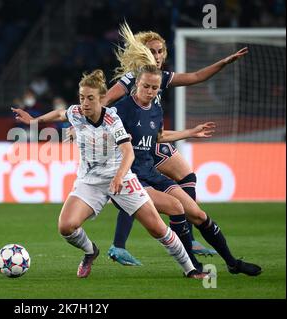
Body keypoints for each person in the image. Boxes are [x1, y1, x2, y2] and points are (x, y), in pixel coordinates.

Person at [12, 70, 209, 279]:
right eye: (82, 98)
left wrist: (118, 177)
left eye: (90, 98)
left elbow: (128, 152)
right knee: (66, 227)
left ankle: (191, 269)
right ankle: (90, 252)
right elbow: (61, 113)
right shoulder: (77, 113)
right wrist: (34, 121)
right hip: (90, 182)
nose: (85, 103)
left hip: (121, 178)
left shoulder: (112, 119)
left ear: (101, 99)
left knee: (158, 229)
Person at [105, 23, 249, 265]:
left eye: (161, 51)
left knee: (186, 175)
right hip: (131, 141)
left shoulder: (162, 77)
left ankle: (189, 237)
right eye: (153, 51)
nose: (158, 56)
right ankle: (121, 244)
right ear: (142, 53)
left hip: (152, 136)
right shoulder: (131, 80)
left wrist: (223, 63)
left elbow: (194, 77)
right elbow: (104, 101)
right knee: (136, 186)